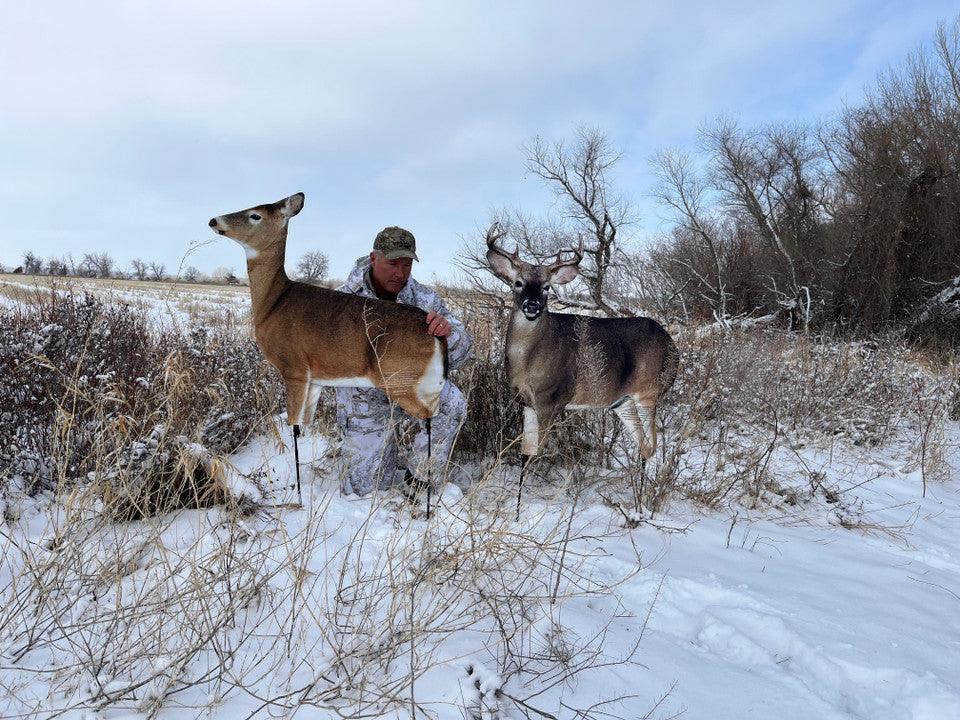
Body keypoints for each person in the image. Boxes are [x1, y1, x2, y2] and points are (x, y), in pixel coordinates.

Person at [334, 226, 472, 497]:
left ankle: (420, 476)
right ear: (374, 258)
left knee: (452, 403)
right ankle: (381, 452)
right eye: (393, 263)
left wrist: (448, 334)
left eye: (407, 264)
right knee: (366, 490)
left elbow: (462, 354)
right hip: (366, 400)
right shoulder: (342, 300)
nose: (400, 273)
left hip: (412, 384)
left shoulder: (425, 299)